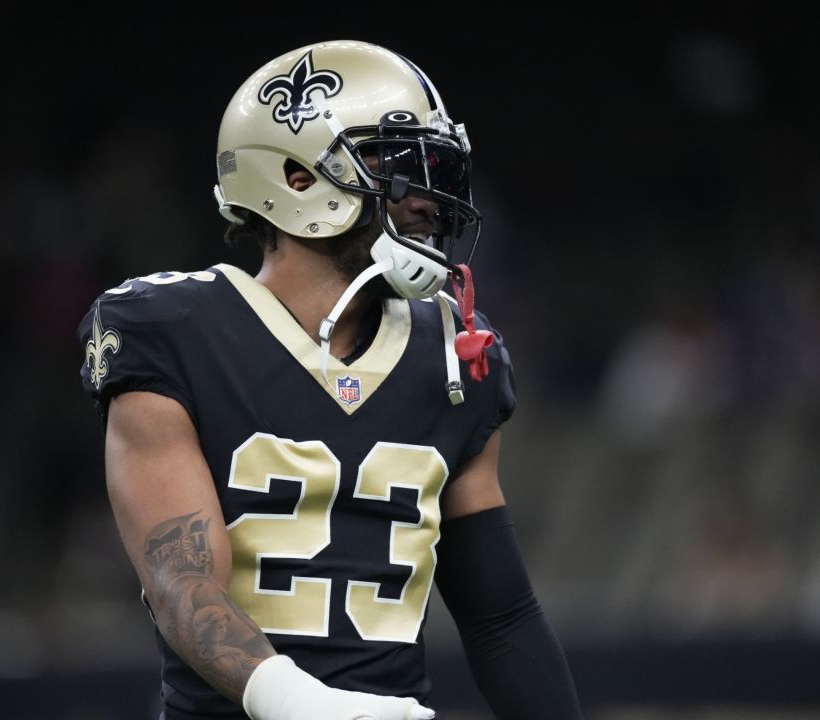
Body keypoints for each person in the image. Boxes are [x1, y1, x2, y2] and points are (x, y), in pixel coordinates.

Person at [79, 40, 581, 720]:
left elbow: (501, 618)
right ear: (294, 176)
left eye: (434, 167)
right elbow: (181, 586)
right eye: (398, 165)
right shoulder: (172, 331)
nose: (426, 197)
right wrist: (302, 704)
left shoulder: (451, 354)